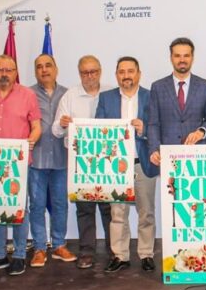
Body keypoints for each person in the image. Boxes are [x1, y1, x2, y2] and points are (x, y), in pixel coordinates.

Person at [0, 55, 41, 276]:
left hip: (18, 163)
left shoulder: (28, 95)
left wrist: (31, 140)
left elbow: (36, 127)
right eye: (0, 69)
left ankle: (19, 255)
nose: (4, 74)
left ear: (16, 72)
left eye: (9, 70)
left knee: (18, 208)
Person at [96, 56, 159, 273]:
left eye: (130, 71)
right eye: (122, 72)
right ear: (116, 75)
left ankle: (146, 254)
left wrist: (144, 130)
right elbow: (98, 130)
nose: (126, 76)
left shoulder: (150, 97)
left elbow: (158, 128)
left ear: (139, 74)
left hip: (143, 162)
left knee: (146, 212)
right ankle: (120, 255)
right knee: (117, 213)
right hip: (116, 166)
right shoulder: (106, 98)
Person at [52, 55, 112, 269]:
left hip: (107, 161)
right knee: (85, 208)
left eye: (93, 71)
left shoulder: (111, 93)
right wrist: (62, 124)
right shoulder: (70, 96)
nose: (90, 76)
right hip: (80, 163)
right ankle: (87, 251)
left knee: (109, 208)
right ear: (79, 73)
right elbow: (56, 131)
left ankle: (114, 250)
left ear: (100, 71)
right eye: (85, 72)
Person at [28, 54, 76, 268]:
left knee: (60, 204)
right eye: (39, 67)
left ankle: (59, 244)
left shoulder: (68, 94)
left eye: (48, 65)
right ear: (35, 71)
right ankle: (39, 247)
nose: (44, 70)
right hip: (35, 159)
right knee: (36, 205)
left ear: (56, 69)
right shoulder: (27, 94)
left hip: (61, 158)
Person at [147, 37, 206, 168]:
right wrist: (154, 149)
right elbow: (153, 123)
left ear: (192, 58)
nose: (182, 60)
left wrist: (201, 131)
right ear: (171, 58)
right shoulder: (158, 87)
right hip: (167, 156)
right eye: (177, 56)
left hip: (197, 155)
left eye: (186, 55)